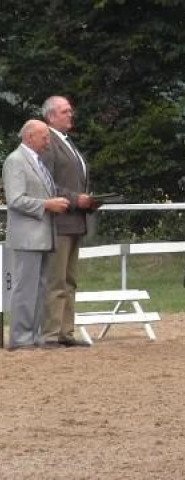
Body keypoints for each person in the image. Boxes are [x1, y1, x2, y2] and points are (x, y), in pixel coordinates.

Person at [3, 120, 70, 350]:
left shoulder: (38, 161)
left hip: (43, 236)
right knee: (26, 288)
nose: (48, 141)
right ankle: (21, 337)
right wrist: (47, 204)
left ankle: (36, 335)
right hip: (27, 237)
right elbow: (15, 199)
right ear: (29, 136)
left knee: (41, 288)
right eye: (44, 137)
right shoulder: (15, 161)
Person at [40, 96, 96, 347]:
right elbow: (47, 183)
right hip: (60, 222)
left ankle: (66, 332)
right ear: (51, 116)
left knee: (70, 280)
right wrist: (76, 199)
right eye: (65, 112)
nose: (70, 115)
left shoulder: (67, 142)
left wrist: (89, 201)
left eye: (70, 111)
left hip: (76, 221)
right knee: (56, 280)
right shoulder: (48, 142)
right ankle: (51, 333)